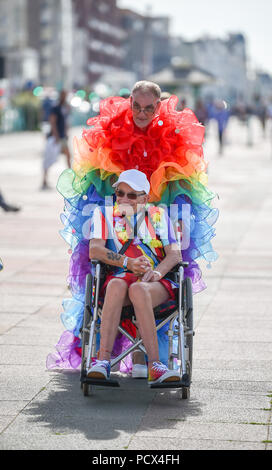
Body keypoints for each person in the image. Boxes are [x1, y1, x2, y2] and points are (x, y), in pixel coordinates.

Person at [47, 80, 218, 375]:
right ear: (129, 103)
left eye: (148, 108)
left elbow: (180, 186)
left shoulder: (171, 136)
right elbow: (97, 182)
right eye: (136, 106)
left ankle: (146, 359)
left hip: (155, 215)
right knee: (111, 280)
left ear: (158, 106)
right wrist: (116, 208)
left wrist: (159, 213)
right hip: (120, 223)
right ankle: (107, 357)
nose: (141, 113)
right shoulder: (112, 132)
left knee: (148, 275)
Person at [87, 169, 182, 385]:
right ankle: (102, 362)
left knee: (139, 289)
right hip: (122, 276)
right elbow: (95, 250)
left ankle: (155, 365)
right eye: (120, 193)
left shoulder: (160, 215)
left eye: (132, 195)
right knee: (116, 286)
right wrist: (128, 263)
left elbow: (175, 254)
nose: (124, 199)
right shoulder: (103, 214)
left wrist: (156, 273)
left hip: (153, 282)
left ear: (146, 198)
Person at [41, 90, 71, 190]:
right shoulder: (55, 107)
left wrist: (66, 133)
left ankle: (71, 179)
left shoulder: (64, 108)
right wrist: (56, 136)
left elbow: (65, 122)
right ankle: (44, 180)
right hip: (55, 137)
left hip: (62, 137)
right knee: (48, 159)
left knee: (68, 156)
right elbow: (52, 122)